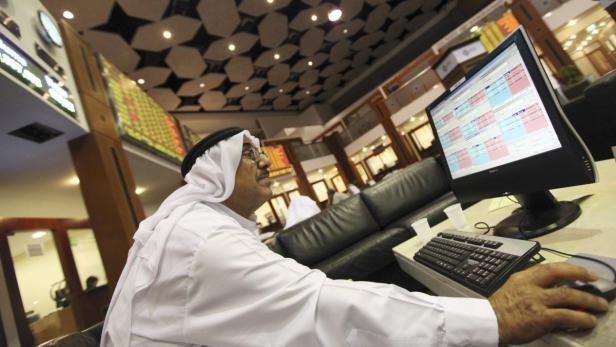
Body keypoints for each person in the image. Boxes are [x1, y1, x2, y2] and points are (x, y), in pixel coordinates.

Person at [101, 127, 609, 346]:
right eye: (248, 156)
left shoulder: (190, 227)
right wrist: (489, 316)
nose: (263, 163)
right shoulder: (200, 239)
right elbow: (321, 306)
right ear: (213, 175)